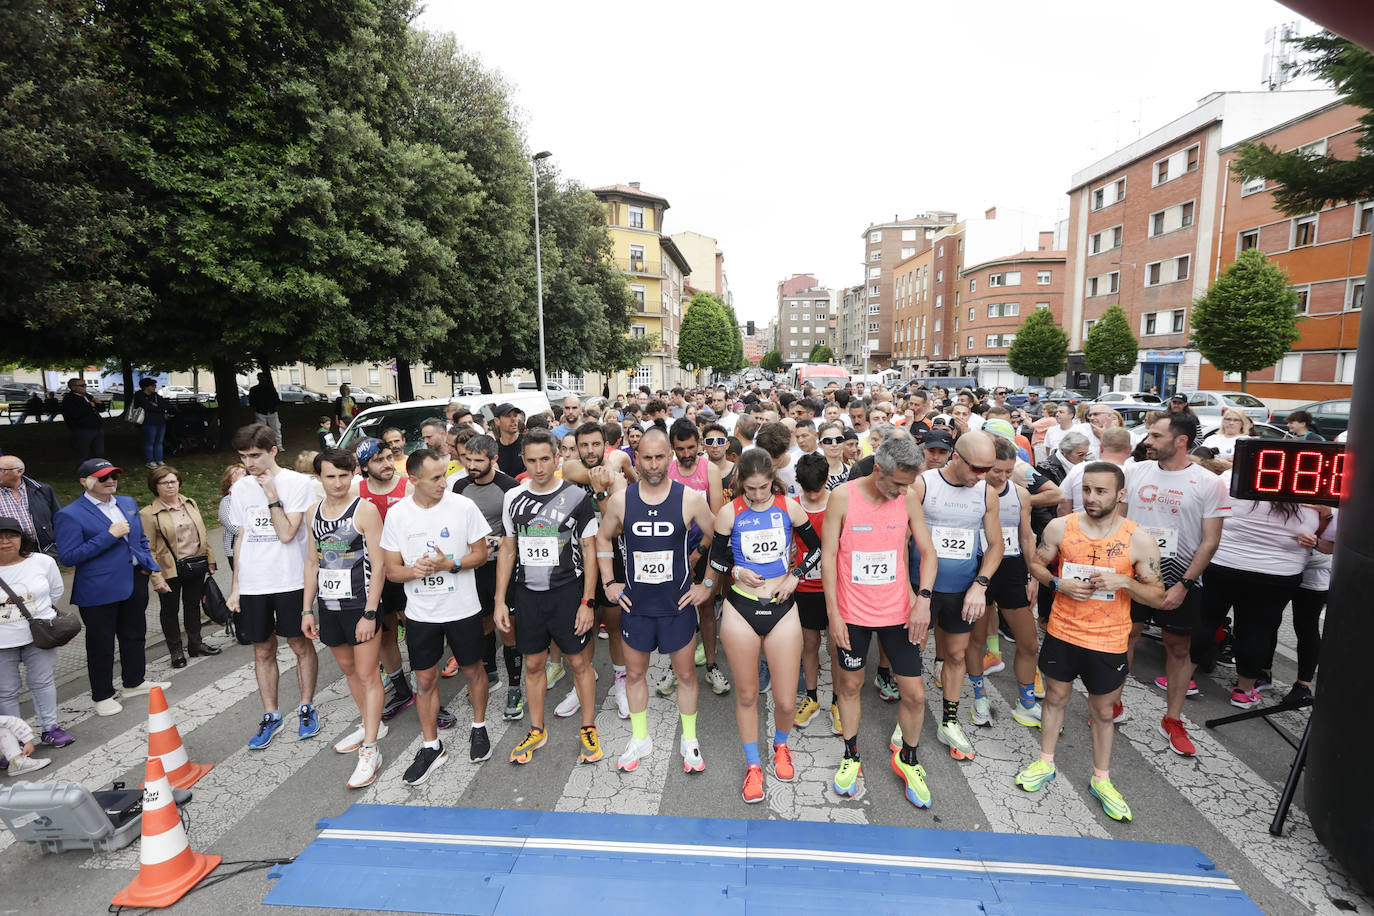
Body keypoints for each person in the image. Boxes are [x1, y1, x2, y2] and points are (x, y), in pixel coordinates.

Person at [1019, 462, 1164, 821]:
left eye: (1100, 491)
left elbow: (1158, 596)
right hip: (1063, 632)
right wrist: (1056, 583)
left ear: (1120, 495)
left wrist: (1126, 583)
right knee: (1055, 698)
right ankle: (1045, 762)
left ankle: (1101, 779)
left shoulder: (1137, 538)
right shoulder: (1059, 527)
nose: (1091, 498)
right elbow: (1036, 565)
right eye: (1086, 490)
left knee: (1102, 711)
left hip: (1108, 639)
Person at [822, 435, 938, 805]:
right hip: (852, 612)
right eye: (898, 484)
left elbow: (928, 552)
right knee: (851, 686)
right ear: (878, 471)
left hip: (898, 612)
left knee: (916, 694)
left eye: (909, 484)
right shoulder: (843, 496)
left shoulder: (909, 496)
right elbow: (827, 558)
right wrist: (834, 614)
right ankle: (851, 755)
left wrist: (923, 599)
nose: (904, 491)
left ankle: (909, 758)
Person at [595, 428, 715, 773]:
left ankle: (689, 739)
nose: (652, 464)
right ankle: (640, 737)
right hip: (637, 607)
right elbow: (603, 538)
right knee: (635, 674)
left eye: (659, 457)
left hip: (677, 605)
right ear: (637, 458)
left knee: (687, 674)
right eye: (645, 457)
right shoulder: (621, 500)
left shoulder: (689, 498)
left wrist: (707, 583)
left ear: (670, 457)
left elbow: (717, 533)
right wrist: (609, 582)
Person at [708, 448, 819, 803]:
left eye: (764, 487)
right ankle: (753, 765)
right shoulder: (730, 512)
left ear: (773, 480)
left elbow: (816, 547)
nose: (757, 495)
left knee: (786, 702)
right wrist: (737, 570)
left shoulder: (789, 506)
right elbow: (717, 560)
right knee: (746, 695)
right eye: (751, 488)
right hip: (741, 606)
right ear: (740, 482)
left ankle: (782, 746)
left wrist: (795, 577)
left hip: (783, 605)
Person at [381, 448, 492, 782]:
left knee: (474, 670)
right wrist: (415, 571)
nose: (443, 483)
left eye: (444, 475)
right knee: (425, 680)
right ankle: (432, 746)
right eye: (434, 478)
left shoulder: (463, 506)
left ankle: (479, 725)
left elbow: (481, 555)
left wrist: (450, 564)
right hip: (421, 614)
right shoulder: (398, 515)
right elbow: (391, 571)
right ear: (412, 480)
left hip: (463, 609)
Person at [1123, 414, 1230, 755]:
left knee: (1178, 648)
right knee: (1125, 637)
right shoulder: (1135, 471)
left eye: (1155, 435)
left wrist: (1184, 584)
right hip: (1135, 571)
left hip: (1180, 576)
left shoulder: (1209, 482)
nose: (1147, 441)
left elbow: (1210, 541)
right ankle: (1111, 703)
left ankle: (1173, 718)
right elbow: (1120, 523)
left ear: (1181, 441)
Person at [494, 430, 602, 765]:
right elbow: (508, 548)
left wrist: (587, 602)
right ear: (523, 461)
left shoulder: (576, 497)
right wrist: (500, 600)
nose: (539, 467)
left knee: (579, 662)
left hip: (567, 592)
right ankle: (537, 728)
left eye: (545, 459)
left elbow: (589, 550)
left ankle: (587, 726)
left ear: (557, 458)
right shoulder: (514, 496)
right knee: (534, 663)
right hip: (528, 594)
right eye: (532, 460)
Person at [894, 430, 1002, 762]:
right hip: (920, 588)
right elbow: (900, 540)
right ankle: (907, 719)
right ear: (957, 456)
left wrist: (980, 585)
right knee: (913, 654)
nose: (983, 476)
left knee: (956, 657)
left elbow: (996, 546)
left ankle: (949, 721)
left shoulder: (986, 493)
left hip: (961, 590)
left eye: (989, 469)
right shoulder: (923, 484)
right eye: (977, 469)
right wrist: (909, 592)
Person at [225, 424, 321, 748]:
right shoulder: (239, 489)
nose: (249, 463)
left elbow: (287, 533)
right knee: (262, 649)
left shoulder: (297, 483)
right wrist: (236, 586)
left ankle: (307, 706)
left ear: (273, 451)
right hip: (255, 582)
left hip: (290, 578)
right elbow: (242, 536)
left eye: (255, 455)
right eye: (243, 456)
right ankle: (272, 714)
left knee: (298, 644)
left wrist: (271, 495)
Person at [298, 449, 388, 788]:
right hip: (329, 604)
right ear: (319, 478)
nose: (337, 483)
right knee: (349, 670)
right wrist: (308, 608)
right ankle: (371, 724)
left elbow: (378, 565)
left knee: (367, 675)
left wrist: (370, 612)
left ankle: (371, 747)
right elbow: (312, 562)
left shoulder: (364, 510)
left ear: (353, 475)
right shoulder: (312, 513)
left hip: (360, 605)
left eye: (343, 475)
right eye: (330, 476)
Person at [54, 459, 168, 716]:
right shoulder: (69, 514)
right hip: (98, 588)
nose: (111, 481)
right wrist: (109, 535)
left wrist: (150, 567)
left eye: (114, 475)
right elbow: (69, 557)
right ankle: (102, 695)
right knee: (101, 644)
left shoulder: (126, 503)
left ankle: (134, 681)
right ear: (85, 481)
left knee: (134, 634)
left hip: (133, 579)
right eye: (103, 477)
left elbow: (139, 538)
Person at [1196, 476, 1317, 709]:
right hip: (1276, 574)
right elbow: (1323, 532)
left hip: (1224, 564)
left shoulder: (1232, 477)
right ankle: (1244, 690)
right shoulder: (1307, 495)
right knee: (1256, 631)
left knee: (1207, 620)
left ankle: (1183, 677)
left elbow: (1204, 509)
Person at [963, 436, 1042, 729]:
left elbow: (1026, 536)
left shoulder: (1020, 494)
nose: (1002, 476)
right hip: (979, 568)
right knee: (977, 640)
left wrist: (1033, 575)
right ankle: (980, 696)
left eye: (1008, 471)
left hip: (1011, 568)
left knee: (1029, 643)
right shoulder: (973, 491)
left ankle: (1026, 703)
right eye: (997, 470)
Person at [453, 435, 523, 720]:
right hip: (473, 568)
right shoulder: (460, 486)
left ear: (494, 460)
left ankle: (515, 686)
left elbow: (517, 529)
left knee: (506, 625)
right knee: (482, 623)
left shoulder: (509, 487)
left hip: (500, 566)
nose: (471, 465)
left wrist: (498, 541)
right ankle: (490, 671)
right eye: (468, 460)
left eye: (478, 461)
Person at [353, 439, 418, 723]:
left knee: (415, 630)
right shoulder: (358, 490)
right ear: (365, 466)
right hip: (373, 573)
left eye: (389, 457)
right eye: (379, 460)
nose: (388, 464)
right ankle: (402, 688)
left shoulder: (407, 487)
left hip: (404, 570)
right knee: (386, 634)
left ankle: (422, 684)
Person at [0, 517, 75, 750]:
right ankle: (15, 740)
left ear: (21, 537)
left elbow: (55, 591)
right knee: (6, 692)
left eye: (11, 535)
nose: (5, 542)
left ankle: (50, 728)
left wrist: (35, 617)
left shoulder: (42, 562)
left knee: (42, 682)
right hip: (2, 641)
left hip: (39, 635)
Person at [142, 466, 220, 669]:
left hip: (196, 564)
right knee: (170, 610)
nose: (170, 486)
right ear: (155, 486)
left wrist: (210, 559)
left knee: (193, 606)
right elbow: (148, 548)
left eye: (173, 481)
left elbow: (202, 533)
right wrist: (156, 577)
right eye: (164, 482)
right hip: (169, 569)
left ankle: (195, 643)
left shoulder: (190, 503)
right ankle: (176, 651)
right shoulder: (149, 514)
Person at [0, 456, 62, 556]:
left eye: (1, 470)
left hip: (43, 552)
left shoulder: (42, 490)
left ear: (19, 471)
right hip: (6, 553)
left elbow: (60, 519)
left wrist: (54, 548)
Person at [61, 378, 106, 463]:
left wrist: (99, 403)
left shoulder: (87, 396)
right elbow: (75, 414)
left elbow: (101, 409)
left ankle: (100, 471)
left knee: (99, 452)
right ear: (73, 387)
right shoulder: (69, 399)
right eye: (82, 385)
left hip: (96, 427)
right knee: (83, 453)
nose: (84, 387)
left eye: (85, 385)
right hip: (83, 429)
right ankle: (83, 472)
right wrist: (90, 406)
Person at [132, 379, 168, 469]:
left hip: (160, 421)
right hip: (148, 423)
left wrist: (155, 406)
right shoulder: (139, 395)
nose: (155, 387)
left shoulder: (155, 395)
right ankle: (150, 461)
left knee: (159, 442)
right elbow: (146, 407)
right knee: (149, 442)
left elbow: (165, 405)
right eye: (152, 385)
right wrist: (156, 407)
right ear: (146, 386)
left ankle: (159, 460)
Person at [218, 464, 247, 570]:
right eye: (236, 472)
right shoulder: (227, 501)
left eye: (244, 471)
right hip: (235, 549)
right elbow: (232, 526)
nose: (241, 474)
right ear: (230, 480)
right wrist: (254, 534)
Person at [247, 371, 282, 443]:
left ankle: (277, 445)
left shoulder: (268, 388)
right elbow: (252, 401)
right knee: (263, 430)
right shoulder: (257, 389)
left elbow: (276, 399)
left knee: (274, 429)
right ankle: (273, 445)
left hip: (269, 411)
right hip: (262, 411)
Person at [492, 403, 526, 478]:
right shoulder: (493, 448)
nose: (513, 419)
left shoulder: (528, 442)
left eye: (515, 415)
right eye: (508, 416)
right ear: (497, 421)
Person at [818, 421, 850, 490]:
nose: (834, 444)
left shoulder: (850, 470)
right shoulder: (815, 472)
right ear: (820, 444)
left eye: (839, 439)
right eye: (828, 441)